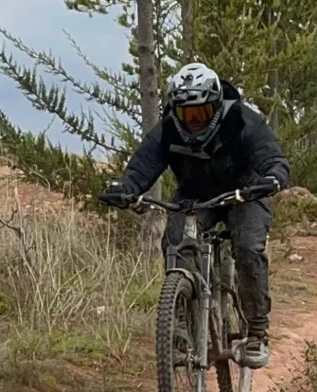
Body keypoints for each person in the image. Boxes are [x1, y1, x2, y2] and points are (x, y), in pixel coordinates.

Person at [102, 63, 289, 368]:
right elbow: (142, 167)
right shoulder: (168, 130)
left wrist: (271, 178)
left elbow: (273, 159)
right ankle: (179, 326)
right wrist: (125, 189)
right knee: (177, 242)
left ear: (215, 105)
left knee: (247, 247)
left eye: (200, 113)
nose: (194, 121)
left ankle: (256, 332)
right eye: (186, 114)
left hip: (244, 194)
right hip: (195, 197)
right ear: (175, 111)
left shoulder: (243, 121)